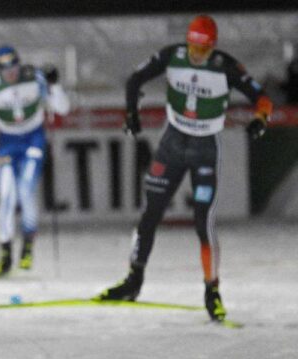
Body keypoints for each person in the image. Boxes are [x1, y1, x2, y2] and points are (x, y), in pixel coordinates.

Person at [94, 15, 273, 322]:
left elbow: (262, 98)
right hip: (172, 143)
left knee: (204, 222)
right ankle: (133, 279)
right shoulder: (173, 55)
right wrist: (131, 114)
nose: (196, 54)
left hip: (204, 147)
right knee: (150, 213)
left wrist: (260, 120)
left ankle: (211, 290)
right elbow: (135, 79)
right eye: (193, 47)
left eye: (202, 50)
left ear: (212, 48)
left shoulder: (225, 65)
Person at [0, 45, 69, 277]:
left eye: (13, 64)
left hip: (33, 139)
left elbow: (62, 108)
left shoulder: (33, 76)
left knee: (26, 190)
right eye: (3, 67)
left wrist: (54, 84)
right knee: (7, 195)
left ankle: (27, 246)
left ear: (19, 62)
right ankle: (6, 253)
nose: (10, 71)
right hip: (7, 142)